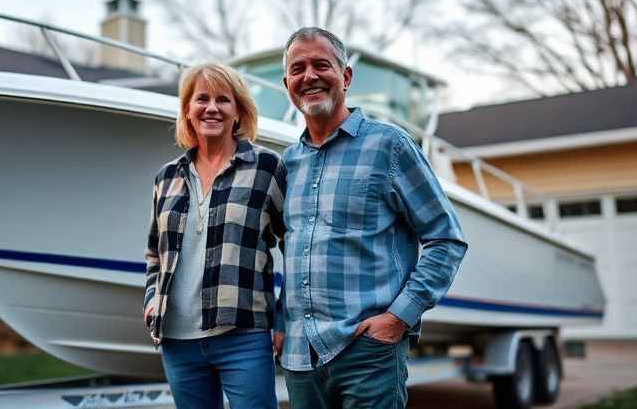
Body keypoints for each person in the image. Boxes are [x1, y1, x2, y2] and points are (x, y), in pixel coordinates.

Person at [273, 27, 468, 408]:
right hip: (300, 358)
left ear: (345, 77)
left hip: (368, 354)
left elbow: (447, 239)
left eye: (321, 65)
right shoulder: (287, 164)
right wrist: (281, 321)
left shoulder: (389, 146)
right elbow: (290, 249)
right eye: (298, 69)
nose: (309, 76)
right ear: (287, 84)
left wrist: (398, 318)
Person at [143, 62, 285, 409]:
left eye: (223, 99)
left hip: (244, 336)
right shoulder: (166, 177)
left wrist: (284, 318)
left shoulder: (267, 168)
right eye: (201, 99)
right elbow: (154, 254)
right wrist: (150, 298)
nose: (211, 107)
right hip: (177, 340)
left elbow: (295, 249)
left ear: (238, 111)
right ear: (187, 110)